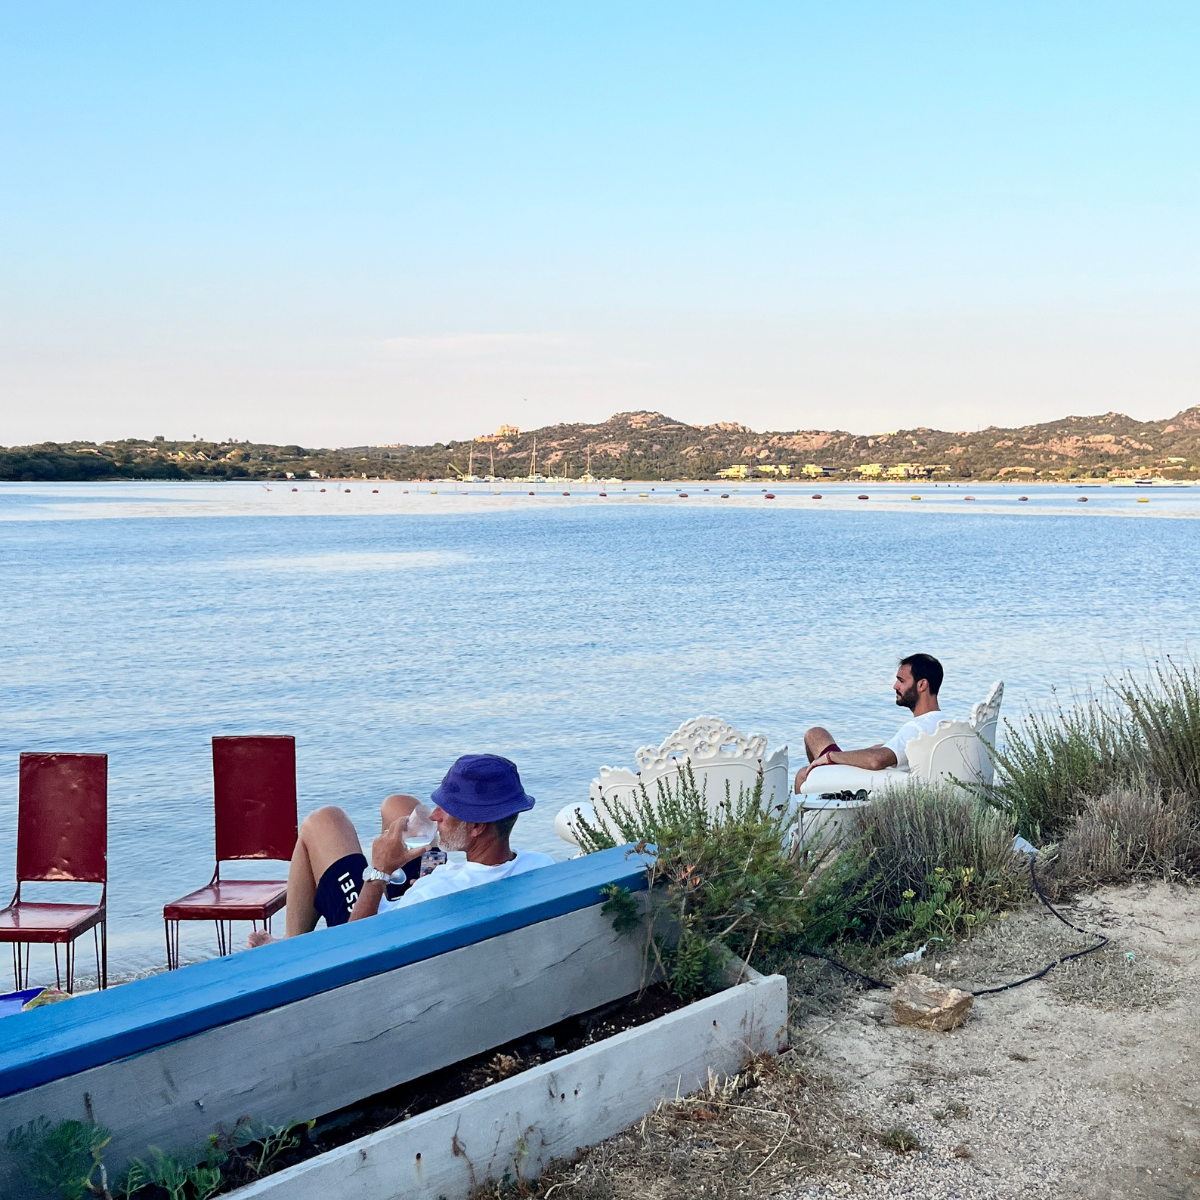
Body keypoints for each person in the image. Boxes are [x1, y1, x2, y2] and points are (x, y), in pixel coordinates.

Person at [247, 754, 554, 947]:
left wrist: (379, 869)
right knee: (399, 806)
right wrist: (427, 878)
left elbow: (358, 943)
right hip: (449, 899)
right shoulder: (541, 865)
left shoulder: (436, 892)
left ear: (477, 827)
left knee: (324, 820)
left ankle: (289, 948)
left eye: (447, 810)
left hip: (370, 925)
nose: (435, 815)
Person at [793, 654, 946, 792]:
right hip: (896, 777)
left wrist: (831, 757)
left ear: (922, 685)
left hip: (877, 783)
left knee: (803, 775)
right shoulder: (942, 723)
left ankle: (808, 821)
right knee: (815, 734)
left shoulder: (917, 727)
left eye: (901, 681)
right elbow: (897, 752)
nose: (895, 686)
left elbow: (876, 760)